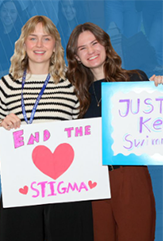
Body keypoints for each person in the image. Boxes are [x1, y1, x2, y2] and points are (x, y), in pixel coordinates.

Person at [0, 15, 93, 241]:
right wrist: (1, 126)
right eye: (33, 38)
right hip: (20, 188)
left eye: (46, 39)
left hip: (65, 189)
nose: (39, 45)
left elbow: (81, 136)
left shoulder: (70, 86)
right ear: (23, 44)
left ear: (55, 45)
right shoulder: (5, 85)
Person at [66, 22, 156, 241]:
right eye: (83, 48)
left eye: (95, 43)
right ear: (76, 57)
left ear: (105, 44)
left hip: (131, 174)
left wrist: (157, 93)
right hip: (92, 182)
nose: (91, 51)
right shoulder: (74, 97)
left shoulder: (135, 80)